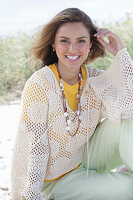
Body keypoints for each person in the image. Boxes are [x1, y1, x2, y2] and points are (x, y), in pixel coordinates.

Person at [11, 7, 133, 200]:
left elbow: (129, 104)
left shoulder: (94, 79)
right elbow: (36, 148)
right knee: (129, 189)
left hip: (87, 157)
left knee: (128, 118)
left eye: (81, 41)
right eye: (64, 41)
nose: (73, 49)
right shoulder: (39, 85)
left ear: (91, 44)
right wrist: (31, 196)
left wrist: (120, 53)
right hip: (58, 179)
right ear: (53, 44)